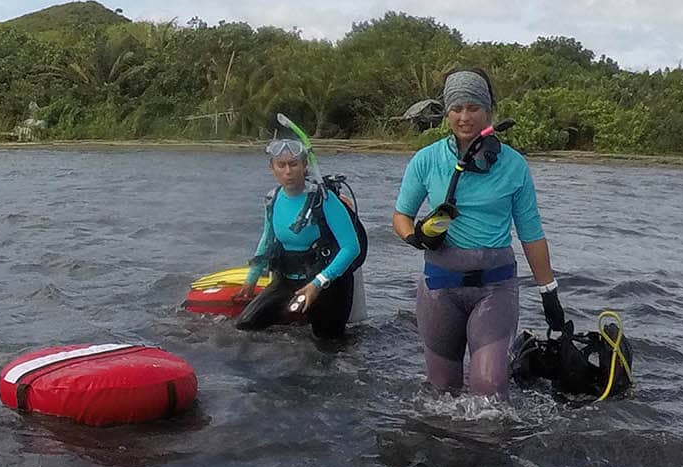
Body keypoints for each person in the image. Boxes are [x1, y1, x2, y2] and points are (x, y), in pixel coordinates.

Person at [391, 69, 566, 398]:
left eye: (473, 107)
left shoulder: (513, 165)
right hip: (439, 289)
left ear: (488, 110)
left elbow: (532, 234)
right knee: (442, 391)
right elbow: (401, 216)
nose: (464, 117)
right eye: (456, 108)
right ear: (446, 112)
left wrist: (549, 293)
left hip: (494, 289)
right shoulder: (425, 161)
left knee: (487, 388)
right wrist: (414, 237)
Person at [232, 137, 364, 341]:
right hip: (287, 280)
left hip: (328, 284)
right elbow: (267, 239)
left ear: (304, 166)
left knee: (326, 347)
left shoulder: (324, 199)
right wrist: (252, 279)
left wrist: (318, 283)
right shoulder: (272, 199)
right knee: (245, 327)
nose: (288, 171)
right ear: (272, 168)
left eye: (293, 164)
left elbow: (351, 247)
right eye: (281, 165)